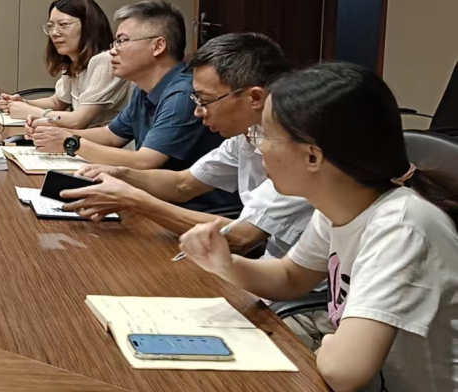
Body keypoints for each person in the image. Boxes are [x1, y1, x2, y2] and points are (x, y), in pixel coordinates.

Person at [178, 62, 458, 392]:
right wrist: (225, 263)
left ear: (313, 155)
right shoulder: (343, 205)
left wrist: (330, 340)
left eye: (265, 135)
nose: (258, 146)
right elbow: (290, 276)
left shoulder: (402, 225)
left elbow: (344, 371)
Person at [64, 32, 311, 256]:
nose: (197, 111)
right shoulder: (245, 136)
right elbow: (183, 184)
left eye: (205, 100)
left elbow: (241, 237)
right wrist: (121, 174)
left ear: (254, 97)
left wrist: (135, 201)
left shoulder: (299, 151)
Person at [28, 0, 236, 213]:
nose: (113, 51)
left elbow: (145, 162)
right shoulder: (144, 88)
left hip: (197, 211)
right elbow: (111, 135)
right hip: (156, 202)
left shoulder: (182, 95)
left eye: (122, 41)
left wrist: (70, 142)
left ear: (158, 46)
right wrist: (54, 133)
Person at [0, 0, 130, 128]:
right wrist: (24, 103)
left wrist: (30, 111)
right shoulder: (73, 61)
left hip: (101, 140)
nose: (54, 33)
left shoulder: (107, 61)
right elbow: (58, 102)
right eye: (51, 26)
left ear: (88, 26)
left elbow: (77, 121)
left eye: (63, 25)